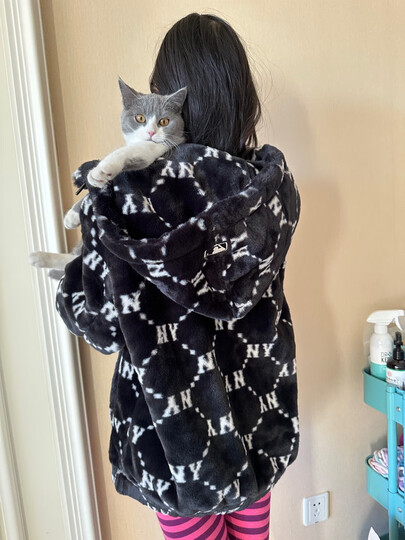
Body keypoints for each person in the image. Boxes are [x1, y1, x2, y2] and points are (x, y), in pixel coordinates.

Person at [56, 13, 300, 540]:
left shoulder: (127, 198)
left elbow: (99, 326)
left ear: (168, 99)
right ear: (244, 100)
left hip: (174, 452)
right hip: (257, 432)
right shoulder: (270, 193)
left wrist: (74, 275)